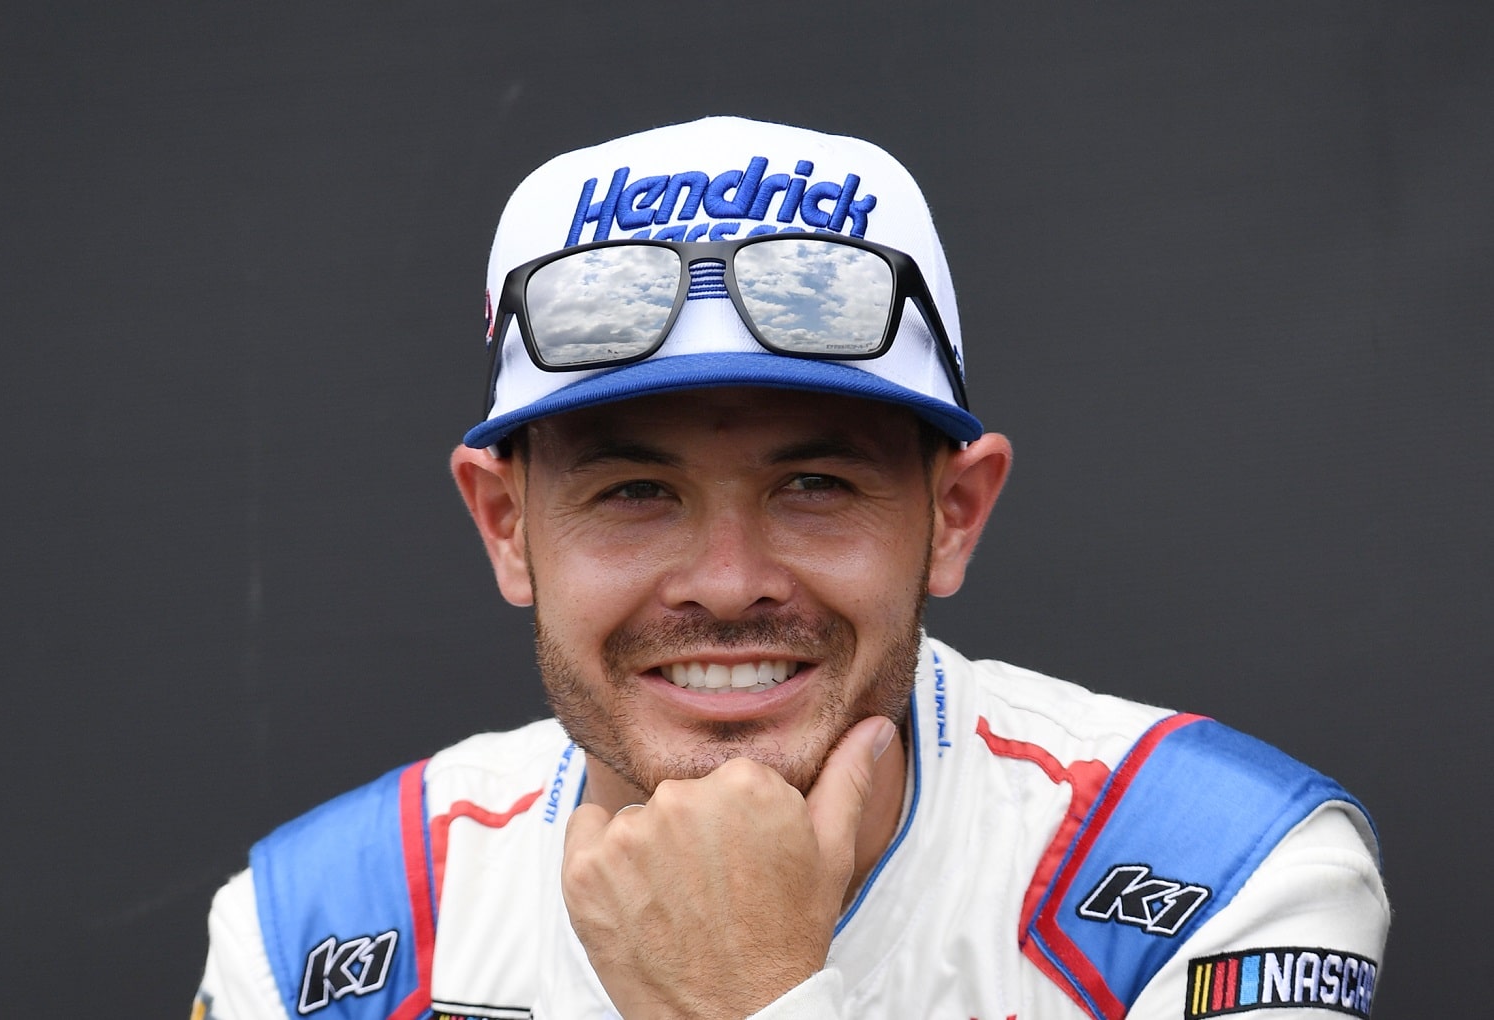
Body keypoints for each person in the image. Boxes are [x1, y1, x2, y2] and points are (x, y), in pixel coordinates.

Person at [194, 117, 1389, 1020]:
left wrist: (749, 995)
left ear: (954, 513)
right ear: (506, 526)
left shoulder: (1221, 869)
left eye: (815, 486)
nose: (725, 580)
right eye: (634, 492)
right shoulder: (319, 938)